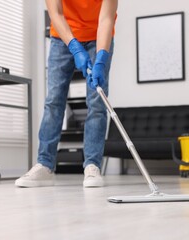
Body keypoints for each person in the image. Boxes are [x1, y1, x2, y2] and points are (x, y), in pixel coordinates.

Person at [15, 0, 118, 188]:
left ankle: (92, 166)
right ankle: (45, 165)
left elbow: (106, 19)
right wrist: (74, 46)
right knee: (54, 100)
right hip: (62, 37)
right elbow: (56, 14)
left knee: (97, 101)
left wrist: (102, 57)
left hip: (98, 37)